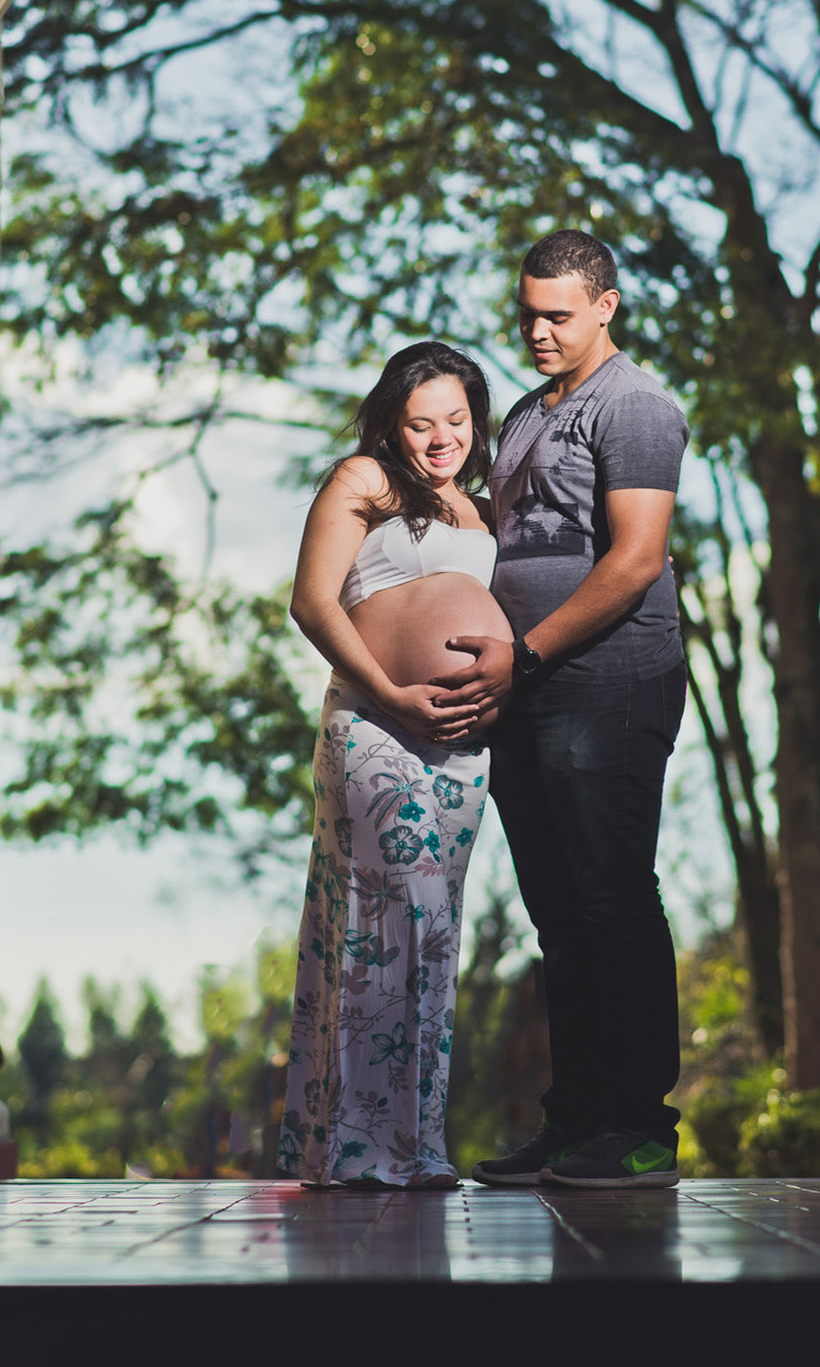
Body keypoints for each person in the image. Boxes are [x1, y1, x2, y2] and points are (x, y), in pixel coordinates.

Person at [434, 230, 690, 1190]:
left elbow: (636, 559)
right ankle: (576, 1121)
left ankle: (641, 1130)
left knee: (612, 898)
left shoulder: (634, 406)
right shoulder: (527, 413)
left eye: (558, 315)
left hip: (608, 681)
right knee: (557, 915)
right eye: (528, 314)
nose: (538, 332)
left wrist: (528, 652)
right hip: (525, 692)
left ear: (606, 306)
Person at [277, 340, 511, 1188]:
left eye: (457, 419)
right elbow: (312, 601)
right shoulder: (365, 481)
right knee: (392, 916)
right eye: (421, 423)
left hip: (462, 747)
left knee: (434, 932)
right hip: (374, 721)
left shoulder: (487, 509)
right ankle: (359, 1148)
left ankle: (414, 1145)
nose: (442, 438)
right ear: (392, 424)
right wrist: (389, 691)